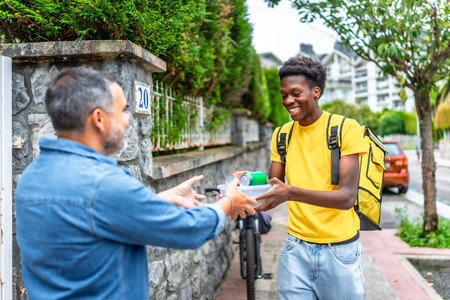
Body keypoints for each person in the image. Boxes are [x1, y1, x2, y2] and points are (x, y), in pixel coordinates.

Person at [15, 67, 257, 299]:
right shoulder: (103, 183)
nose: (127, 121)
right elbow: (189, 229)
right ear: (98, 118)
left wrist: (160, 199)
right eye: (122, 111)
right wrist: (228, 203)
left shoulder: (32, 176)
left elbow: (89, 218)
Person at [255, 57, 367, 299]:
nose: (288, 101)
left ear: (315, 92)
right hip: (295, 250)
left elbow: (347, 197)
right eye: (284, 95)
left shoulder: (345, 129)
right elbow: (274, 190)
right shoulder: (281, 135)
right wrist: (246, 189)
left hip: (339, 251)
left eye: (296, 93)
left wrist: (291, 192)